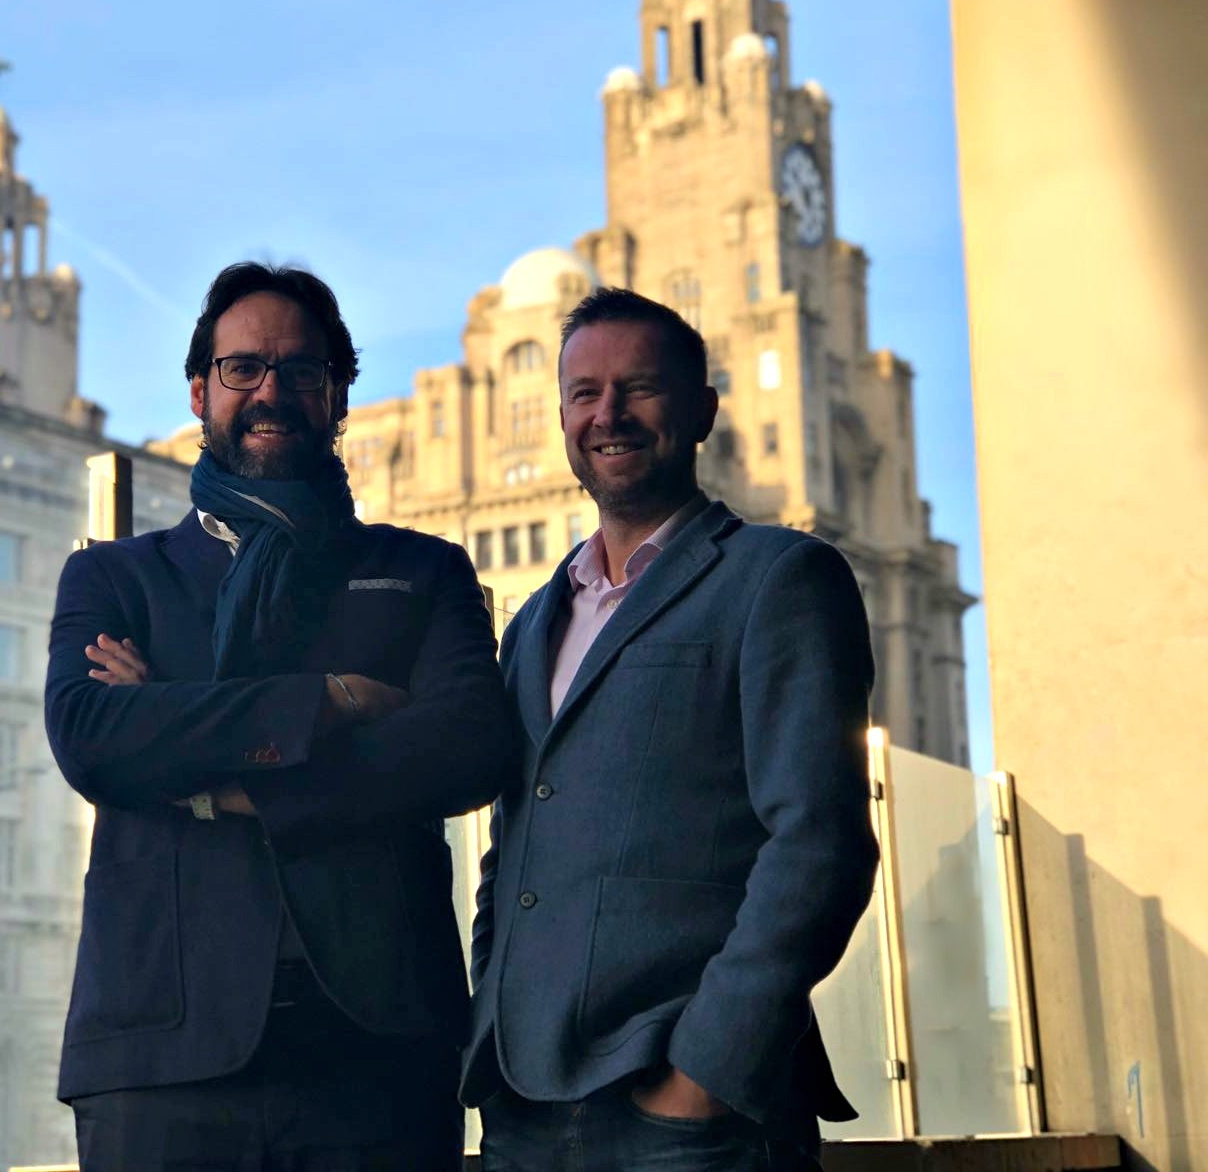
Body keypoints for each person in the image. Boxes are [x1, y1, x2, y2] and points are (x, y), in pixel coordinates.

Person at [44, 262, 508, 1170]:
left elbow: (467, 747)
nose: (270, 391)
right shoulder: (114, 577)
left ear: (338, 398)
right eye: (243, 368)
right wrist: (329, 700)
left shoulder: (422, 571)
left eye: (301, 370)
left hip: (378, 1048)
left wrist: (211, 772)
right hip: (163, 1049)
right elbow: (93, 739)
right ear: (199, 392)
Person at [460, 287, 880, 1170]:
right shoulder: (532, 623)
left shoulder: (779, 577)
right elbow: (516, 845)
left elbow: (821, 841)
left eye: (639, 387)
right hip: (524, 1116)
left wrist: (706, 1074)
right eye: (584, 393)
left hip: (688, 1122)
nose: (607, 414)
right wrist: (491, 1024)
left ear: (702, 412)